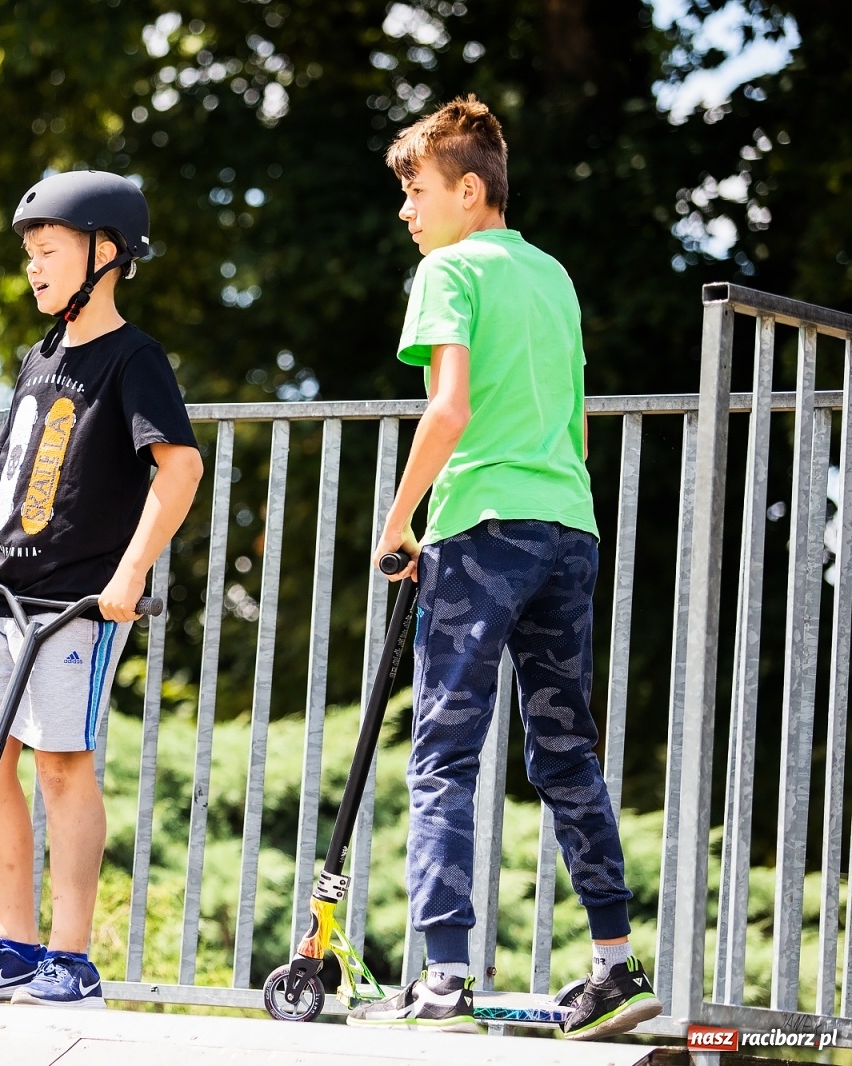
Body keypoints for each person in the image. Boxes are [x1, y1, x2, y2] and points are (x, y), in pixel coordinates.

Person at [347, 96, 662, 1039]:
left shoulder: (450, 271)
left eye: (417, 191)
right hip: (569, 528)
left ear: (469, 191)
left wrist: (399, 524)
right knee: (568, 756)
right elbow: (571, 423)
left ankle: (444, 976)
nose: (405, 212)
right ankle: (617, 969)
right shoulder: (553, 276)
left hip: (481, 528)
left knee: (445, 751)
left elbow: (446, 412)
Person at [0, 171, 202, 1008]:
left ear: (105, 253)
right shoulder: (37, 359)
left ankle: (72, 960)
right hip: (4, 592)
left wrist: (130, 573)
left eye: (49, 252)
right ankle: (12, 943)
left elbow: (179, 466)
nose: (35, 270)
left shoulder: (133, 359)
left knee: (62, 765)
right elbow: (10, 481)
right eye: (31, 256)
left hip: (77, 601)